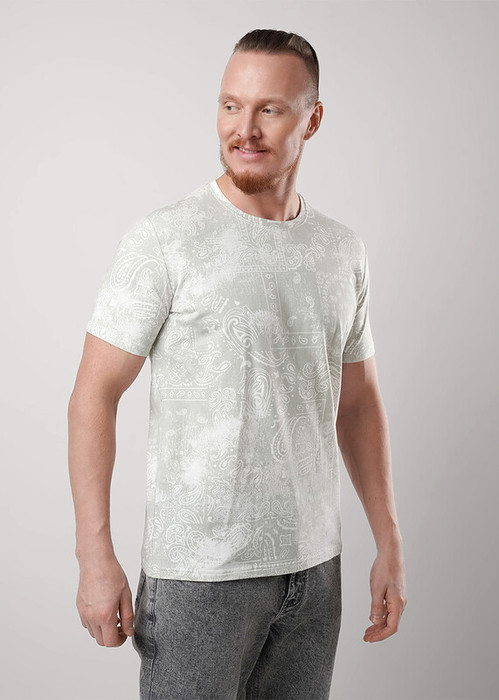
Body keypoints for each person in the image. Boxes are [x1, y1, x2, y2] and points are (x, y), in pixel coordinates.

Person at [68, 28, 407, 700]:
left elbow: (358, 403)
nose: (243, 129)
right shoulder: (166, 239)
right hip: (199, 576)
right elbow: (93, 395)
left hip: (315, 571)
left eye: (269, 109)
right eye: (230, 105)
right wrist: (94, 555)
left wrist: (388, 542)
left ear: (312, 119)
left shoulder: (341, 250)